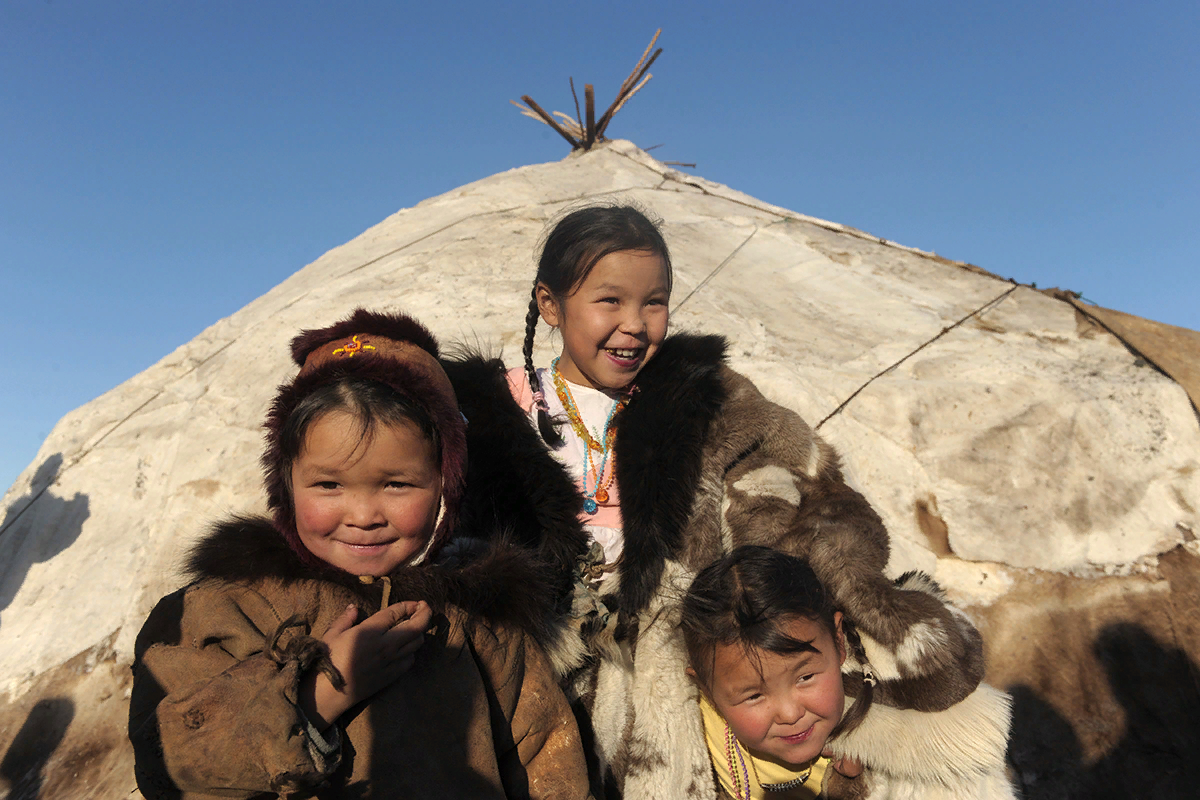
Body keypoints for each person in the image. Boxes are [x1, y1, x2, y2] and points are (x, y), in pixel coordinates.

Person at [503, 203, 1013, 799]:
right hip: (546, 669)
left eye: (654, 301)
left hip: (706, 658)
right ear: (550, 304)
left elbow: (803, 505)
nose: (635, 324)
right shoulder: (497, 417)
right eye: (609, 301)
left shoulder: (708, 404)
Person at [128, 310, 592, 800]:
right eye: (329, 484)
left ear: (444, 486)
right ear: (286, 481)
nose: (364, 514)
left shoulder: (488, 630)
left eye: (396, 484)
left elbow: (551, 772)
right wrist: (315, 697)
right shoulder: (220, 610)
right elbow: (165, 769)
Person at [683, 546, 1013, 799]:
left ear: (839, 642)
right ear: (707, 689)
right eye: (754, 695)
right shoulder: (691, 749)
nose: (790, 712)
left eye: (805, 677)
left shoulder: (891, 727)